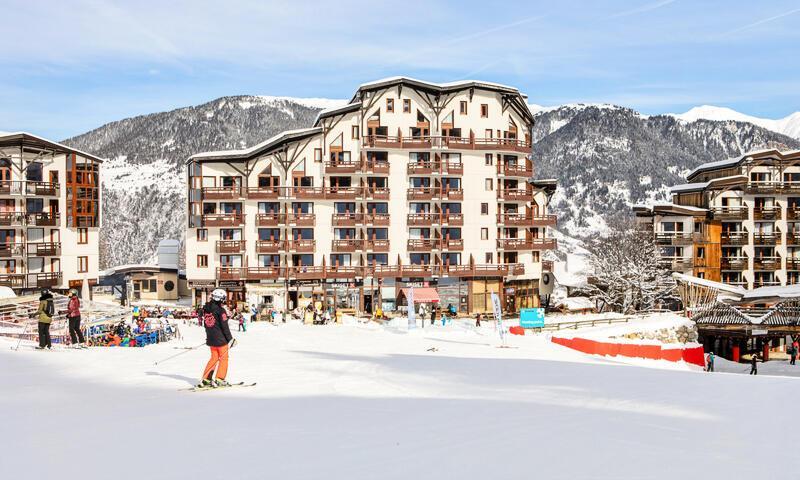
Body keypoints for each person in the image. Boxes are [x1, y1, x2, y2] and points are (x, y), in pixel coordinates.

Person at [199, 289, 234, 388]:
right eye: (223, 299)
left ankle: (206, 379)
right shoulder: (220, 310)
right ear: (220, 299)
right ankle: (220, 378)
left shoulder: (206, 309)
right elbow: (225, 327)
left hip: (211, 339)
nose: (224, 301)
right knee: (224, 358)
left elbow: (207, 324)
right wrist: (230, 339)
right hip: (221, 340)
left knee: (214, 358)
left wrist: (209, 337)